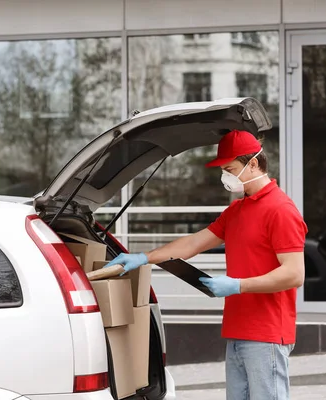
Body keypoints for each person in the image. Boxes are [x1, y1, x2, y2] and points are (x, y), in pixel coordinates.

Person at [104, 129, 308, 400]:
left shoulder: (281, 210)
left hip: (267, 333)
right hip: (238, 330)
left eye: (230, 169)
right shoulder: (236, 210)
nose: (226, 176)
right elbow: (193, 243)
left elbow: (294, 274)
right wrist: (143, 257)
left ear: (254, 164)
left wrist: (238, 285)